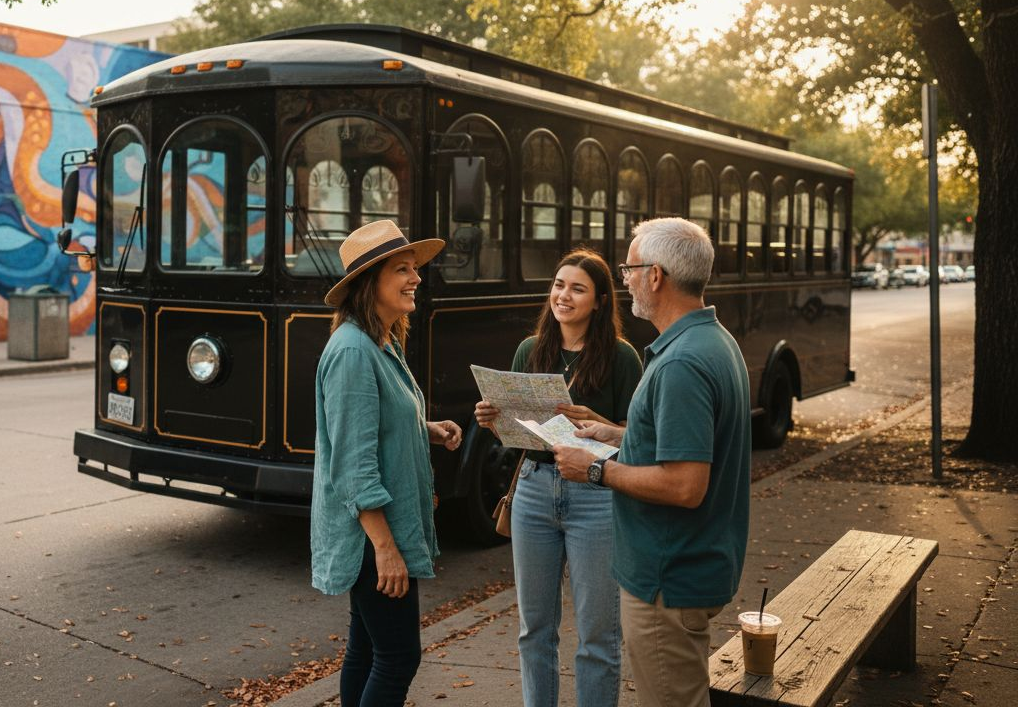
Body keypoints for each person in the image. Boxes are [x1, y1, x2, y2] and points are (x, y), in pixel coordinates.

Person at [552, 217, 751, 707]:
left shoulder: (682, 362)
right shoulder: (713, 341)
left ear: (656, 276)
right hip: (688, 567)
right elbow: (686, 443)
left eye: (630, 268)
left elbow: (685, 485)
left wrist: (594, 469)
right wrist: (618, 433)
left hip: (668, 577)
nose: (625, 280)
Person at [472, 249, 641, 707]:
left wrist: (597, 419)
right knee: (535, 631)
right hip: (533, 490)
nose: (563, 296)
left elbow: (638, 438)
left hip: (596, 496)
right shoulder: (531, 349)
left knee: (597, 637)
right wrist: (493, 416)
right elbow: (518, 430)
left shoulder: (622, 358)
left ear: (601, 301)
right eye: (559, 285)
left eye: (578, 289)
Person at [312, 219, 463, 707]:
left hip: (375, 535)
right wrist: (385, 548)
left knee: (367, 647)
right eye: (402, 269)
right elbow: (354, 466)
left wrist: (427, 429)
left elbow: (374, 424)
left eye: (414, 268)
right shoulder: (354, 351)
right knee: (398, 657)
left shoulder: (381, 340)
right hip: (371, 539)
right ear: (368, 282)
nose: (416, 278)